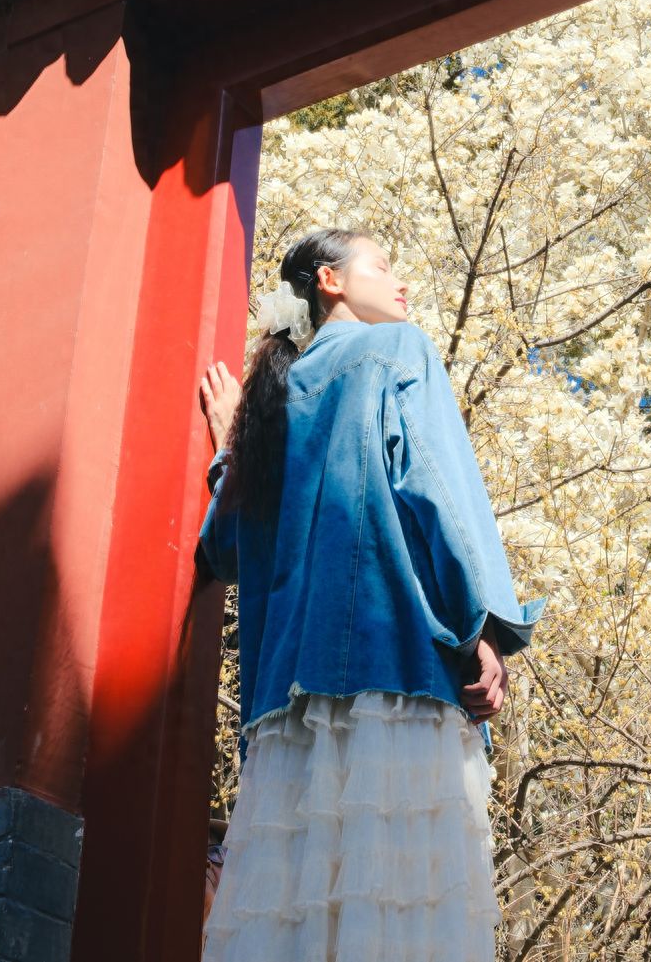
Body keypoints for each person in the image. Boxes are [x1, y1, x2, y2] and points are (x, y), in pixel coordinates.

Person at [194, 226, 545, 961]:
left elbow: (221, 549)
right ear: (329, 280)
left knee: (296, 926)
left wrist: (226, 446)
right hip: (398, 680)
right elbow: (438, 492)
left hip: (288, 719)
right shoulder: (398, 351)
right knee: (405, 923)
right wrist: (482, 625)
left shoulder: (268, 404)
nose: (401, 283)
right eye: (382, 265)